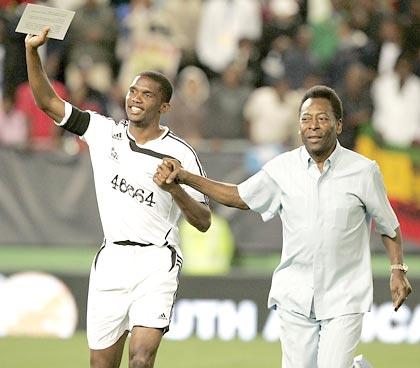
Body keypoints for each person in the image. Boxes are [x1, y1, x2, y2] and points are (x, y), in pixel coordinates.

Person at [155, 85, 412, 368]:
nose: (312, 126)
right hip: (295, 296)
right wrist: (187, 178)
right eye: (305, 118)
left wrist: (397, 270)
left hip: (344, 297)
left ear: (338, 125)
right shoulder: (282, 169)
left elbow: (388, 225)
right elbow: (238, 196)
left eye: (322, 118)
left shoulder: (364, 171)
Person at [25, 28, 211, 368]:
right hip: (111, 259)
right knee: (101, 365)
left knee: (141, 358)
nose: (136, 98)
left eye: (147, 94)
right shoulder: (103, 132)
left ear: (164, 105)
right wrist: (32, 51)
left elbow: (203, 220)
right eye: (133, 91)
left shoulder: (180, 153)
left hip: (157, 262)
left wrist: (176, 189)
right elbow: (47, 102)